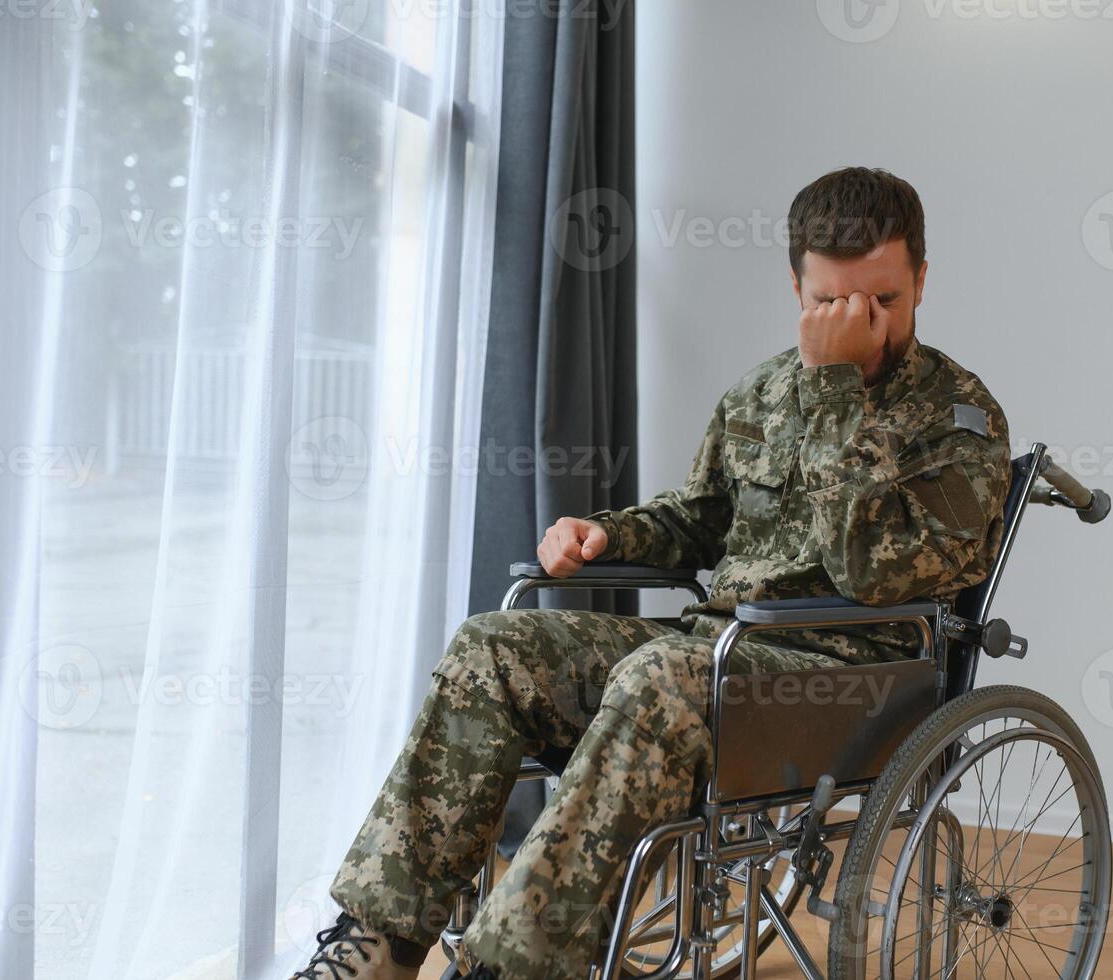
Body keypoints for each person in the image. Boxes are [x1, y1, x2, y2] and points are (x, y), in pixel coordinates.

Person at [291, 167, 1012, 979]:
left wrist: (835, 392)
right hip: (721, 650)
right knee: (491, 646)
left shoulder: (961, 417)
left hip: (854, 674)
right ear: (794, 284)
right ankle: (377, 945)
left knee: (661, 678)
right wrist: (602, 533)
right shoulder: (762, 392)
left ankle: (508, 968)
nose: (861, 324)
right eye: (831, 303)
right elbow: (701, 516)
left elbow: (872, 574)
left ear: (920, 276)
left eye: (882, 300)